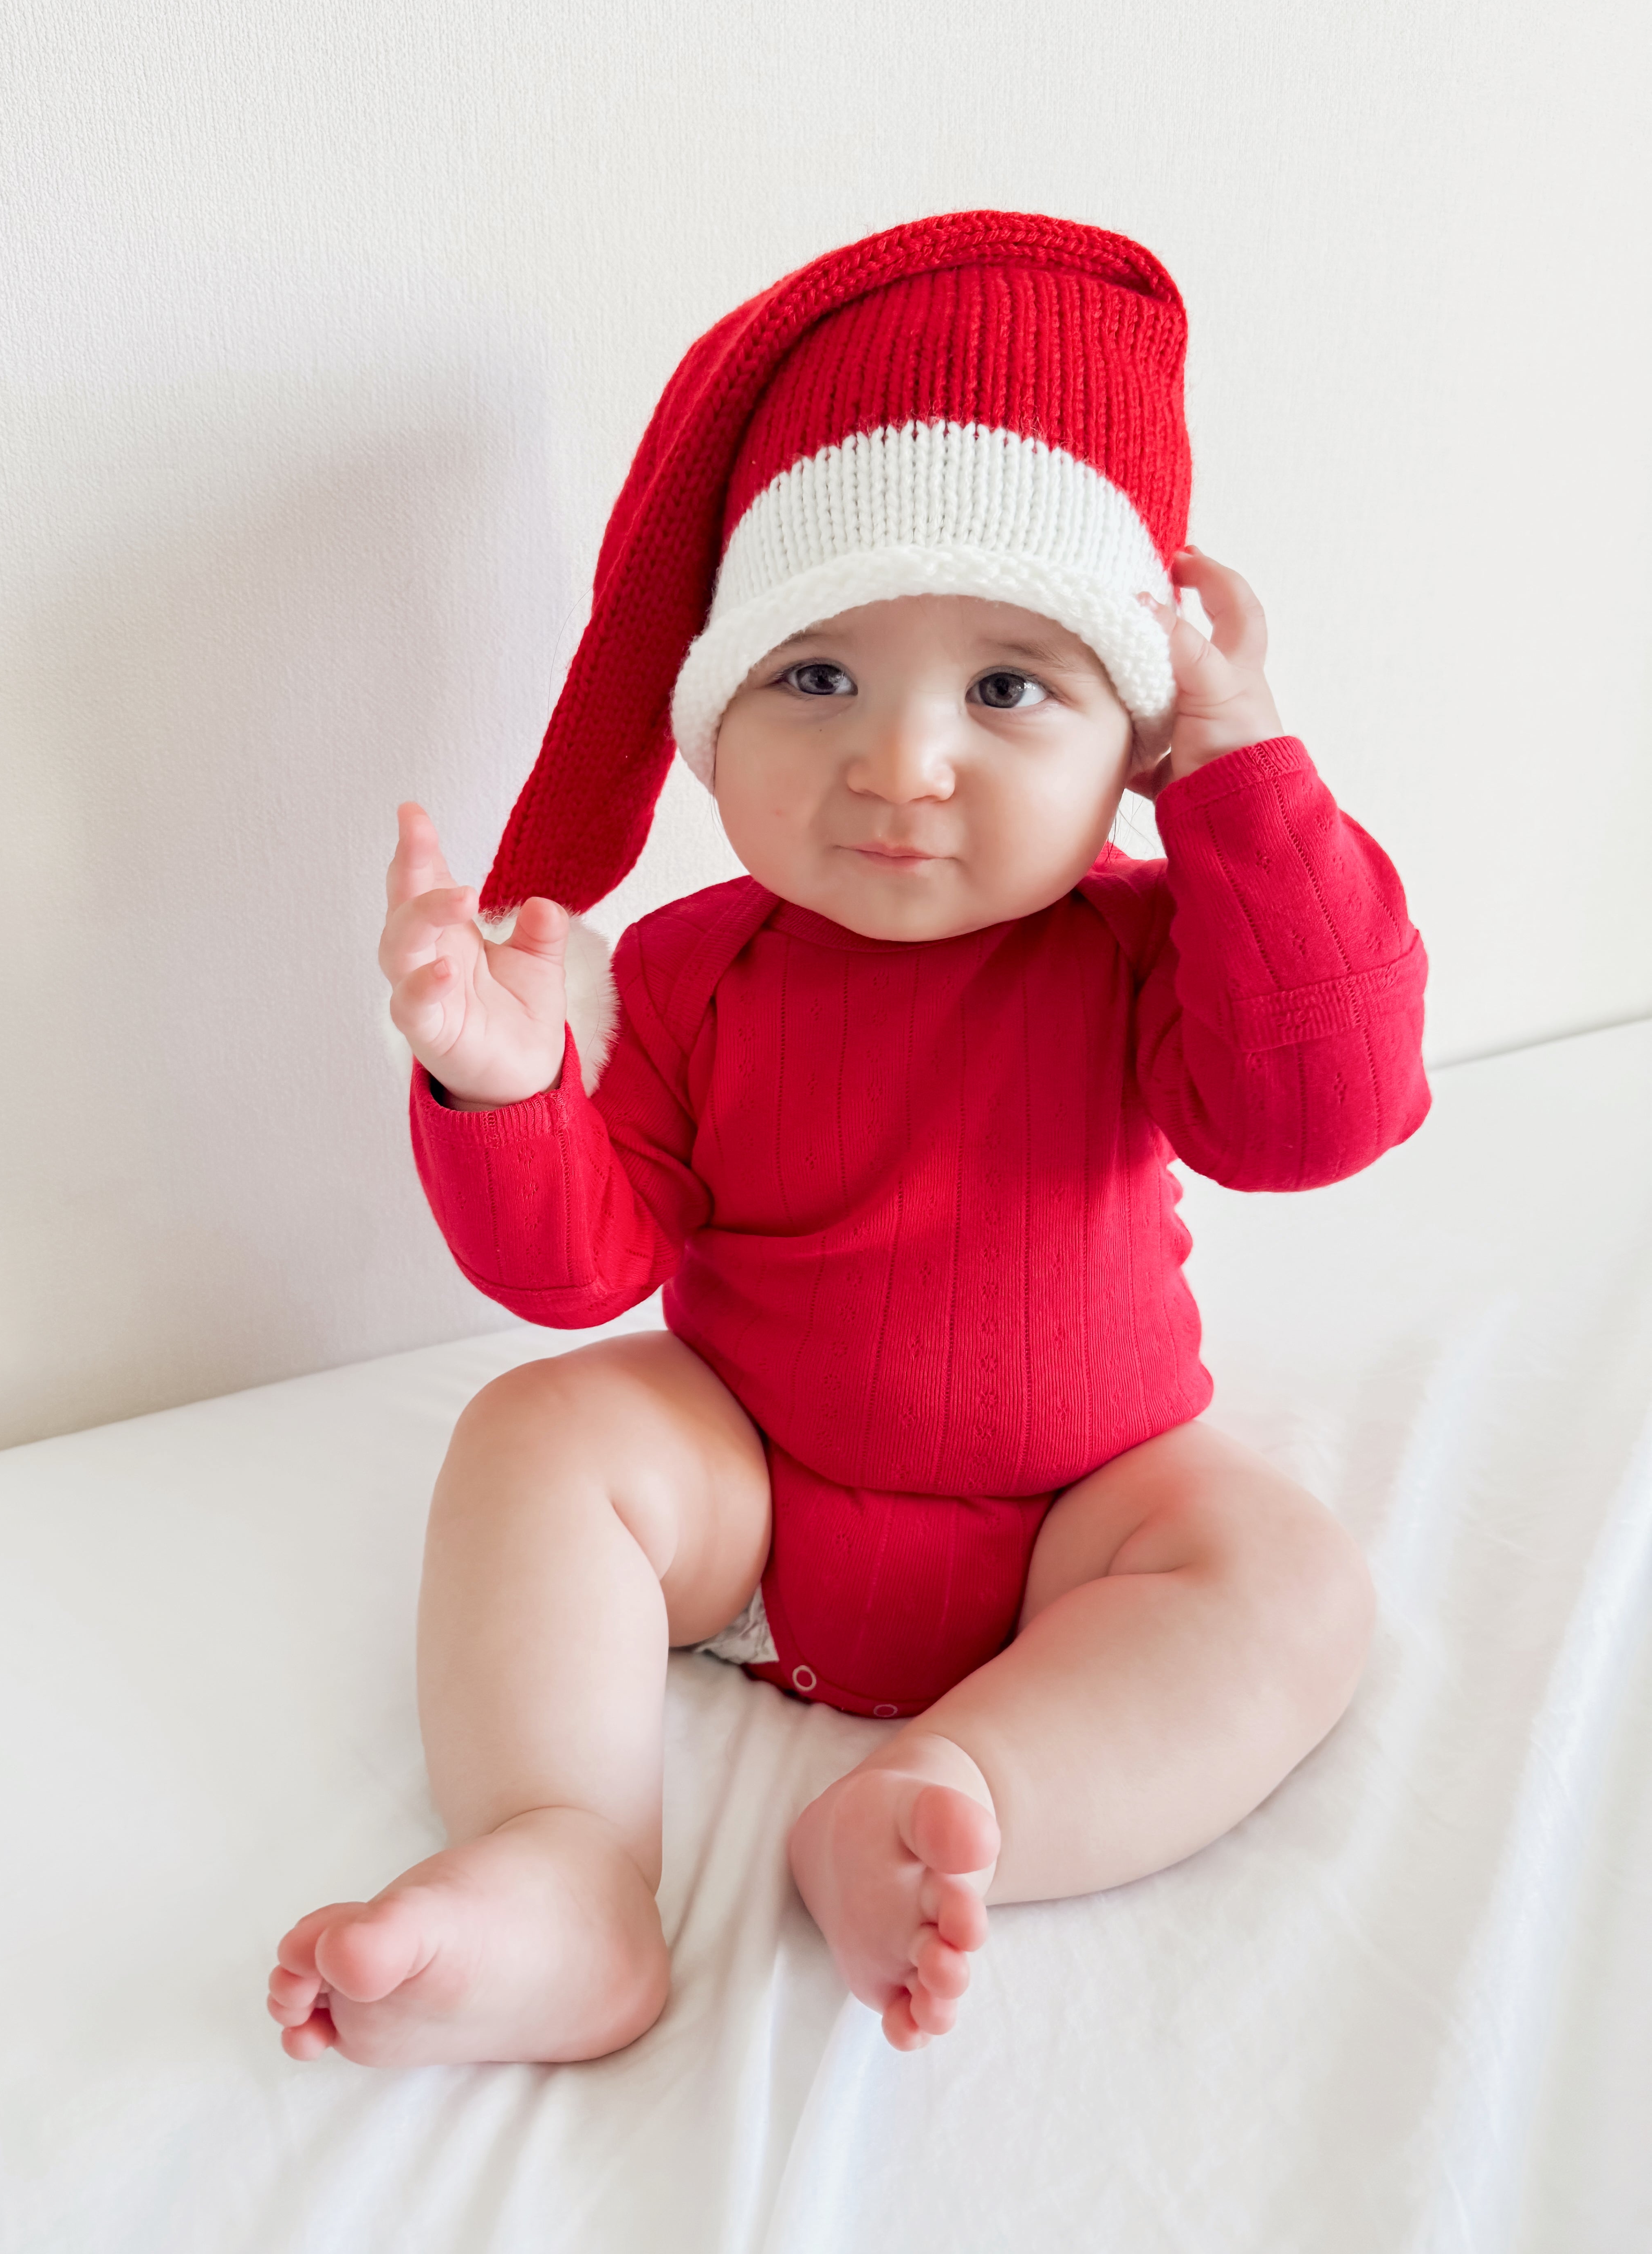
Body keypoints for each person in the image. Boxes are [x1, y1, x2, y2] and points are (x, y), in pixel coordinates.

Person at [267, 212, 1429, 2066]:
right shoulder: (687, 968)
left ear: (1130, 737)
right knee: (540, 1431)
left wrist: (1247, 775)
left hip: (1087, 1516)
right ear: (714, 728)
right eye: (815, 677)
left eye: (1008, 686)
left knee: (1291, 1585)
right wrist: (506, 1081)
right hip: (762, 1499)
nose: (903, 763)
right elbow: (582, 1268)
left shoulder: (1154, 942)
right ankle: (568, 1861)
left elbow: (1325, 1110)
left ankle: (956, 1797)